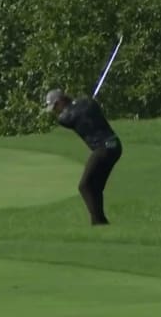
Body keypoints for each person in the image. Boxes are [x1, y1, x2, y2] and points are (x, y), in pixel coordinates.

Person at [44, 88, 123, 225]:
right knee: (95, 187)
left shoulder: (77, 110)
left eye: (55, 106)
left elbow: (71, 115)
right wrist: (88, 104)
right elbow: (71, 116)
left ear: (61, 101)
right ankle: (100, 222)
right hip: (114, 146)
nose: (55, 111)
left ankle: (99, 223)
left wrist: (87, 104)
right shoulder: (82, 107)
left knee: (85, 186)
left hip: (104, 148)